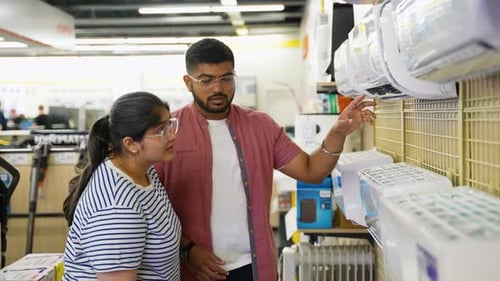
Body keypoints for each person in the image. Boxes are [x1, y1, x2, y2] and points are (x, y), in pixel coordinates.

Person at [154, 38, 376, 281]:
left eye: (226, 78)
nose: (217, 88)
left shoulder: (261, 126)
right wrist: (187, 250)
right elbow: (150, 210)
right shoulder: (168, 132)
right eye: (206, 80)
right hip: (192, 270)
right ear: (188, 82)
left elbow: (311, 171)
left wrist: (337, 133)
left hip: (254, 267)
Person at [62, 91, 182, 281]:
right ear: (130, 144)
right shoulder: (117, 208)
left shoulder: (143, 171)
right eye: (161, 131)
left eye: (171, 124)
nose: (172, 135)